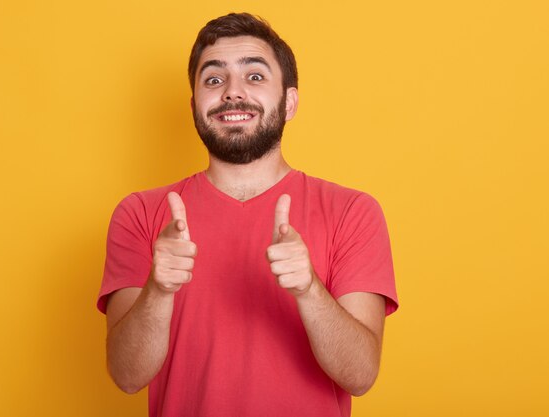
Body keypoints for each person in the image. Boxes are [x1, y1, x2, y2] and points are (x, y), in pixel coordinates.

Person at [97, 12, 399, 417]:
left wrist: (309, 289)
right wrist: (159, 289)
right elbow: (127, 375)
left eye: (254, 77)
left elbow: (360, 375)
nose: (232, 93)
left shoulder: (353, 212)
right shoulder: (140, 214)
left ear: (289, 102)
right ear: (194, 105)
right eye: (214, 79)